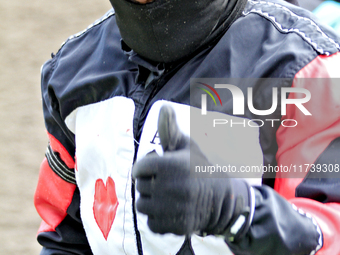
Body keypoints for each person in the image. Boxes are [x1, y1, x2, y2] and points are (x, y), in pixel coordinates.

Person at [34, 0, 340, 254]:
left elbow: (330, 233)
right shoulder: (72, 71)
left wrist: (239, 213)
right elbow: (65, 236)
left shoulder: (302, 68)